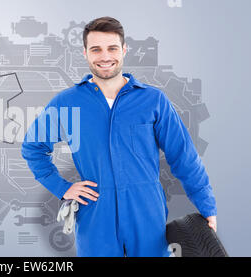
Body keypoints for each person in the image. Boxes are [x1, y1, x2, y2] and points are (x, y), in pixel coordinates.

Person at [21, 16, 217, 257]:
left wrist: (206, 206)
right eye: (96, 49)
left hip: (146, 213)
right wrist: (62, 187)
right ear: (85, 53)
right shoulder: (67, 103)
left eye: (112, 48)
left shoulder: (153, 101)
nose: (105, 56)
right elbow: (33, 148)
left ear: (124, 50)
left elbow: (184, 157)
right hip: (95, 215)